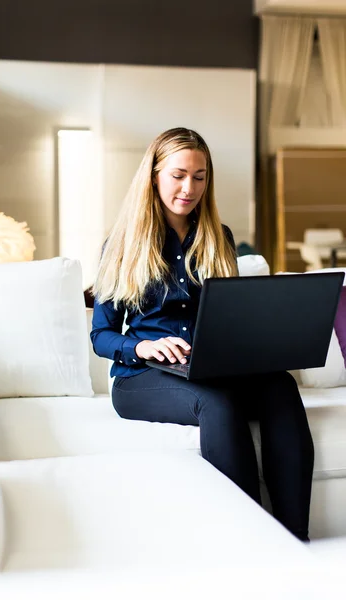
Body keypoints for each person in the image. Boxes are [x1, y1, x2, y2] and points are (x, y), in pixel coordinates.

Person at [91, 127, 314, 541]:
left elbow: (231, 317)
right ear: (154, 175)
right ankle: (254, 540)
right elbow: (101, 335)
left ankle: (294, 536)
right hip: (143, 375)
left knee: (280, 386)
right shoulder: (121, 244)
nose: (188, 187)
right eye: (178, 174)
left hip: (208, 366)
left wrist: (264, 342)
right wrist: (144, 345)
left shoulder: (218, 237)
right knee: (216, 405)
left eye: (200, 176)